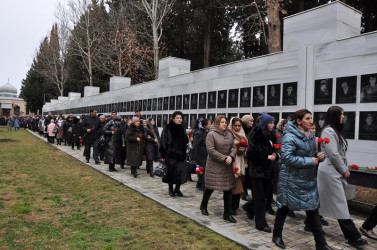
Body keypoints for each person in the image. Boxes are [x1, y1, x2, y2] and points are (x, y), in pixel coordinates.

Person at [272, 109, 331, 250]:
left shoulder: (310, 135)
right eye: (307, 118)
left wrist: (319, 156)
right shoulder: (290, 136)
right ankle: (276, 235)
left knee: (312, 209)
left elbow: (310, 155)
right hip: (291, 179)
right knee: (284, 207)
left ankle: (321, 244)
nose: (311, 121)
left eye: (311, 118)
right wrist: (310, 160)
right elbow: (286, 158)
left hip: (308, 179)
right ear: (299, 121)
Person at [317, 106, 368, 247]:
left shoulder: (335, 131)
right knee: (340, 203)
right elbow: (333, 154)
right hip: (330, 171)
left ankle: (310, 222)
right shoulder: (328, 131)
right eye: (341, 114)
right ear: (334, 115)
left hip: (333, 171)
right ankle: (353, 236)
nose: (343, 117)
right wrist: (344, 170)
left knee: (324, 200)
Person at [199, 115, 237, 223]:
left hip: (227, 166)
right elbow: (211, 150)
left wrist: (231, 156)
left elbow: (234, 147)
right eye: (222, 122)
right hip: (215, 166)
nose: (224, 124)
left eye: (226, 122)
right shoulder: (211, 134)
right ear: (217, 123)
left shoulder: (229, 134)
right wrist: (224, 158)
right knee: (211, 187)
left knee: (228, 189)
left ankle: (227, 214)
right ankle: (203, 205)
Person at [243, 113, 277, 232]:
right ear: (265, 124)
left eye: (273, 122)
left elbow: (274, 150)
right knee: (260, 198)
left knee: (265, 196)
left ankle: (249, 207)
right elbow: (251, 154)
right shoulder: (257, 135)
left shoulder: (271, 136)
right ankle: (261, 223)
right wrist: (266, 157)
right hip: (257, 172)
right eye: (271, 123)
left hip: (267, 171)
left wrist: (276, 155)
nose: (273, 125)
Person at [160, 111, 189, 197]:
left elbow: (185, 141)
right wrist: (163, 154)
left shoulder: (182, 128)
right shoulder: (168, 128)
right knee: (171, 172)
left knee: (181, 172)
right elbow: (163, 141)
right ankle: (170, 189)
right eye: (177, 118)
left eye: (180, 118)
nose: (179, 120)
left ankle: (177, 188)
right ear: (173, 119)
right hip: (171, 154)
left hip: (181, 155)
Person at [228, 117, 248, 215]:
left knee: (239, 185)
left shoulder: (243, 135)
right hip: (231, 162)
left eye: (239, 125)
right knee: (232, 185)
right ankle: (230, 206)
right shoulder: (228, 134)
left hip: (240, 162)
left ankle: (235, 206)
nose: (237, 127)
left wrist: (244, 150)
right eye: (235, 125)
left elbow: (246, 152)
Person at [192, 118, 211, 191]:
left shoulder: (207, 132)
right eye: (209, 124)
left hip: (206, 156)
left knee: (203, 171)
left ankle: (199, 184)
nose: (210, 125)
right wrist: (194, 158)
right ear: (205, 125)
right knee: (202, 172)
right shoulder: (199, 133)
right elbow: (195, 146)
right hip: (200, 156)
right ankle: (203, 186)